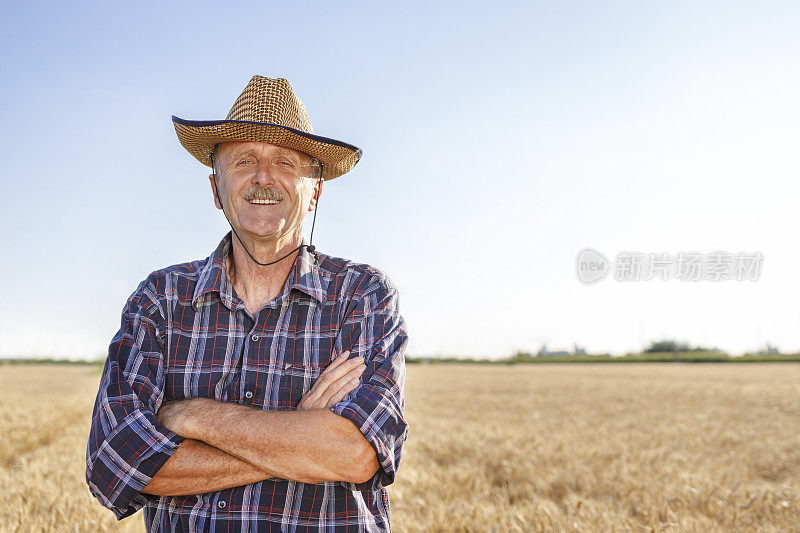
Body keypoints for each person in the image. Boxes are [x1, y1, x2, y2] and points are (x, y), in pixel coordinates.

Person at [86, 75, 409, 532]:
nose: (263, 177)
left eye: (284, 161)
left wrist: (192, 416)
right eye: (244, 160)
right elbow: (113, 463)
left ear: (314, 190)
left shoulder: (363, 295)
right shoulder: (159, 301)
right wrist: (301, 433)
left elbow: (356, 454)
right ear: (216, 189)